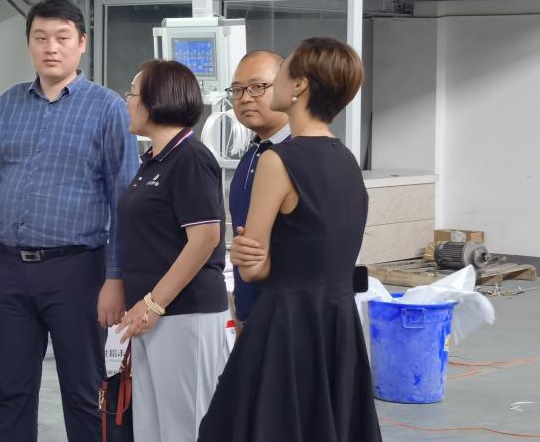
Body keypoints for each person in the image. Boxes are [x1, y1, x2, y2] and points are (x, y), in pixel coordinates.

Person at [0, 0, 138, 442]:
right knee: (13, 393)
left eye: (62, 37)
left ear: (82, 43)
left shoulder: (107, 108)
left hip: (77, 271)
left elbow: (124, 201)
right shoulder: (8, 104)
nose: (51, 47)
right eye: (40, 37)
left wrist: (116, 278)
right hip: (8, 269)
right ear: (29, 44)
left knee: (83, 392)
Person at [198, 37, 381, 442]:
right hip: (337, 325)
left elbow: (254, 268)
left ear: (299, 86)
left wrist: (246, 254)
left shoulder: (277, 161)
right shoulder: (347, 160)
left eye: (281, 73)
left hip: (285, 324)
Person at [113, 61, 230, 442]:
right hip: (150, 314)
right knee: (151, 429)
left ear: (156, 99)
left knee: (186, 427)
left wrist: (154, 303)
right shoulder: (153, 161)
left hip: (184, 312)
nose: (127, 102)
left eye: (132, 93)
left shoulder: (191, 158)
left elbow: (205, 238)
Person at [227, 50, 291, 333]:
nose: (245, 98)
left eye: (257, 87)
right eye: (237, 90)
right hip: (250, 313)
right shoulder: (253, 152)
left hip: (287, 317)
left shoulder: (298, 155)